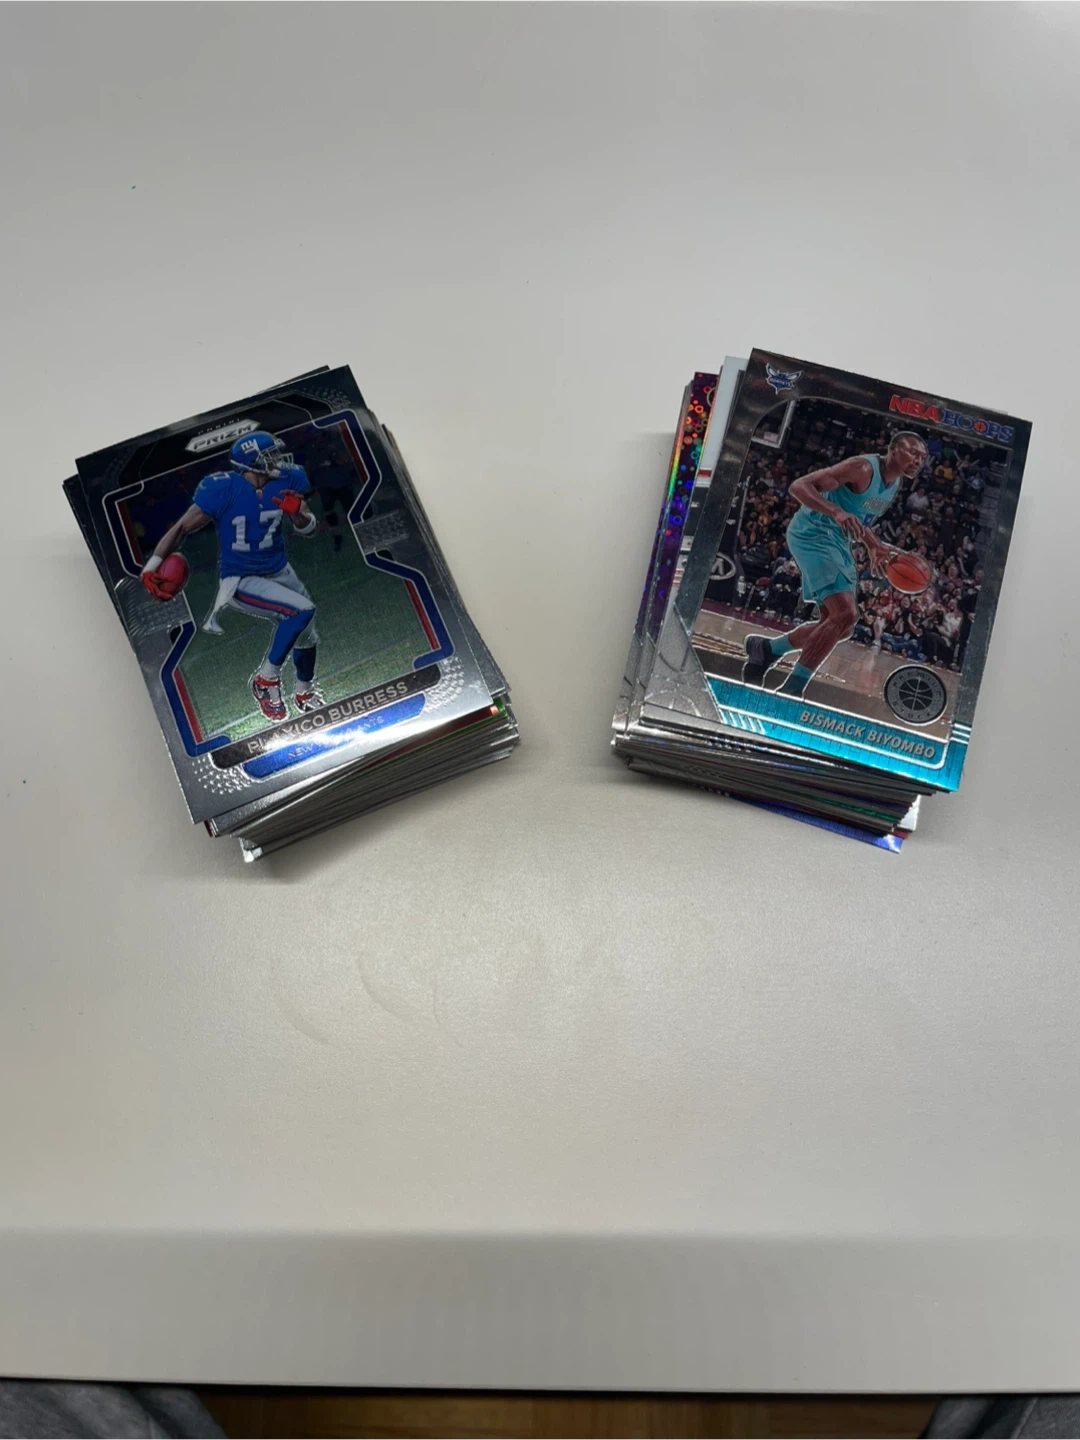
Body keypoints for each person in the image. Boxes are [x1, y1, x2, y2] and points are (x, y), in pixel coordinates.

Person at [141, 430, 322, 723]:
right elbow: (182, 527)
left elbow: (309, 528)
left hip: (279, 570)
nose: (277, 460)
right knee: (302, 610)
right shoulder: (224, 488)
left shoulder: (288, 479)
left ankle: (304, 692)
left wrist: (298, 514)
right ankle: (266, 680)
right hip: (242, 578)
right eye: (269, 456)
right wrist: (151, 567)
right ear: (252, 463)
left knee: (307, 635)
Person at [742, 430, 929, 696]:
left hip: (837, 541)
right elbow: (799, 486)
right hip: (814, 532)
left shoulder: (894, 485)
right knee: (845, 614)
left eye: (922, 457)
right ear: (893, 449)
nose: (918, 460)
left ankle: (767, 649)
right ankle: (793, 689)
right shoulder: (862, 468)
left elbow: (857, 519)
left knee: (841, 627)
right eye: (913, 452)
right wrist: (835, 511)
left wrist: (873, 544)